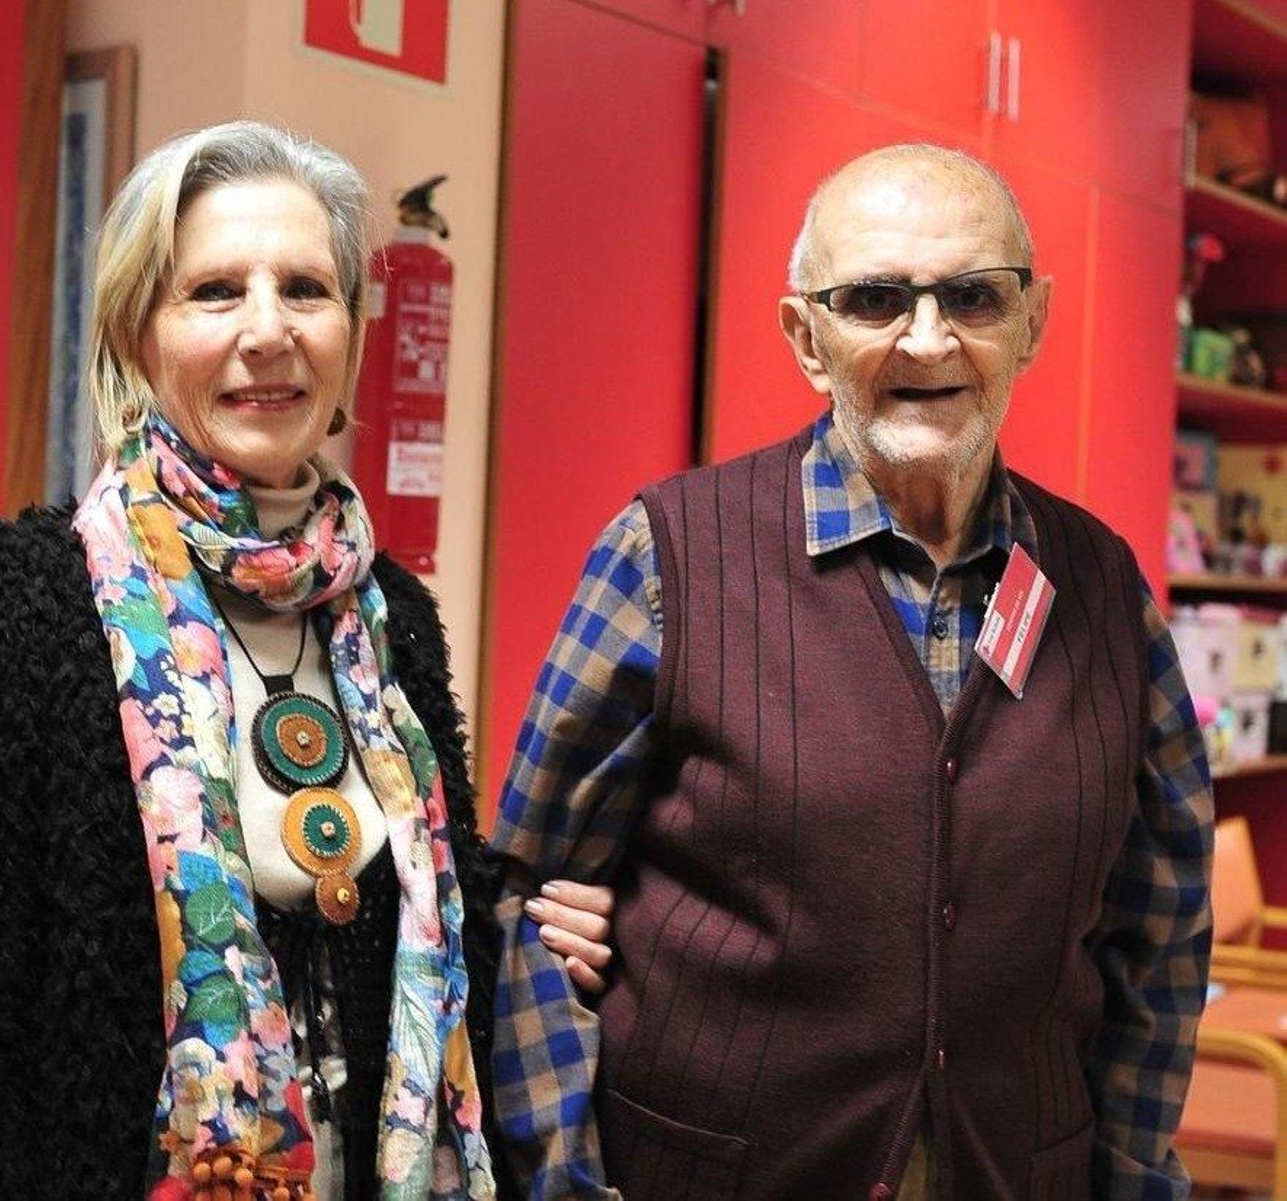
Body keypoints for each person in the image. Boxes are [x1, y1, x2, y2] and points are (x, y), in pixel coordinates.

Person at [0, 120, 611, 1201]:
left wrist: (523, 923)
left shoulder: (390, 616)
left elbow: (417, 938)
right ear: (135, 333)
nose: (269, 331)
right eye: (214, 292)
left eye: (306, 288)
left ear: (350, 328)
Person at [490, 144, 1214, 1199]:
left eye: (973, 295)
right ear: (806, 336)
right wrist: (560, 1178)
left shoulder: (1102, 586)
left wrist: (1132, 1173)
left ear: (1032, 322)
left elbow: (1162, 923)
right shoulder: (668, 556)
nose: (928, 339)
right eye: (873, 299)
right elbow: (525, 900)